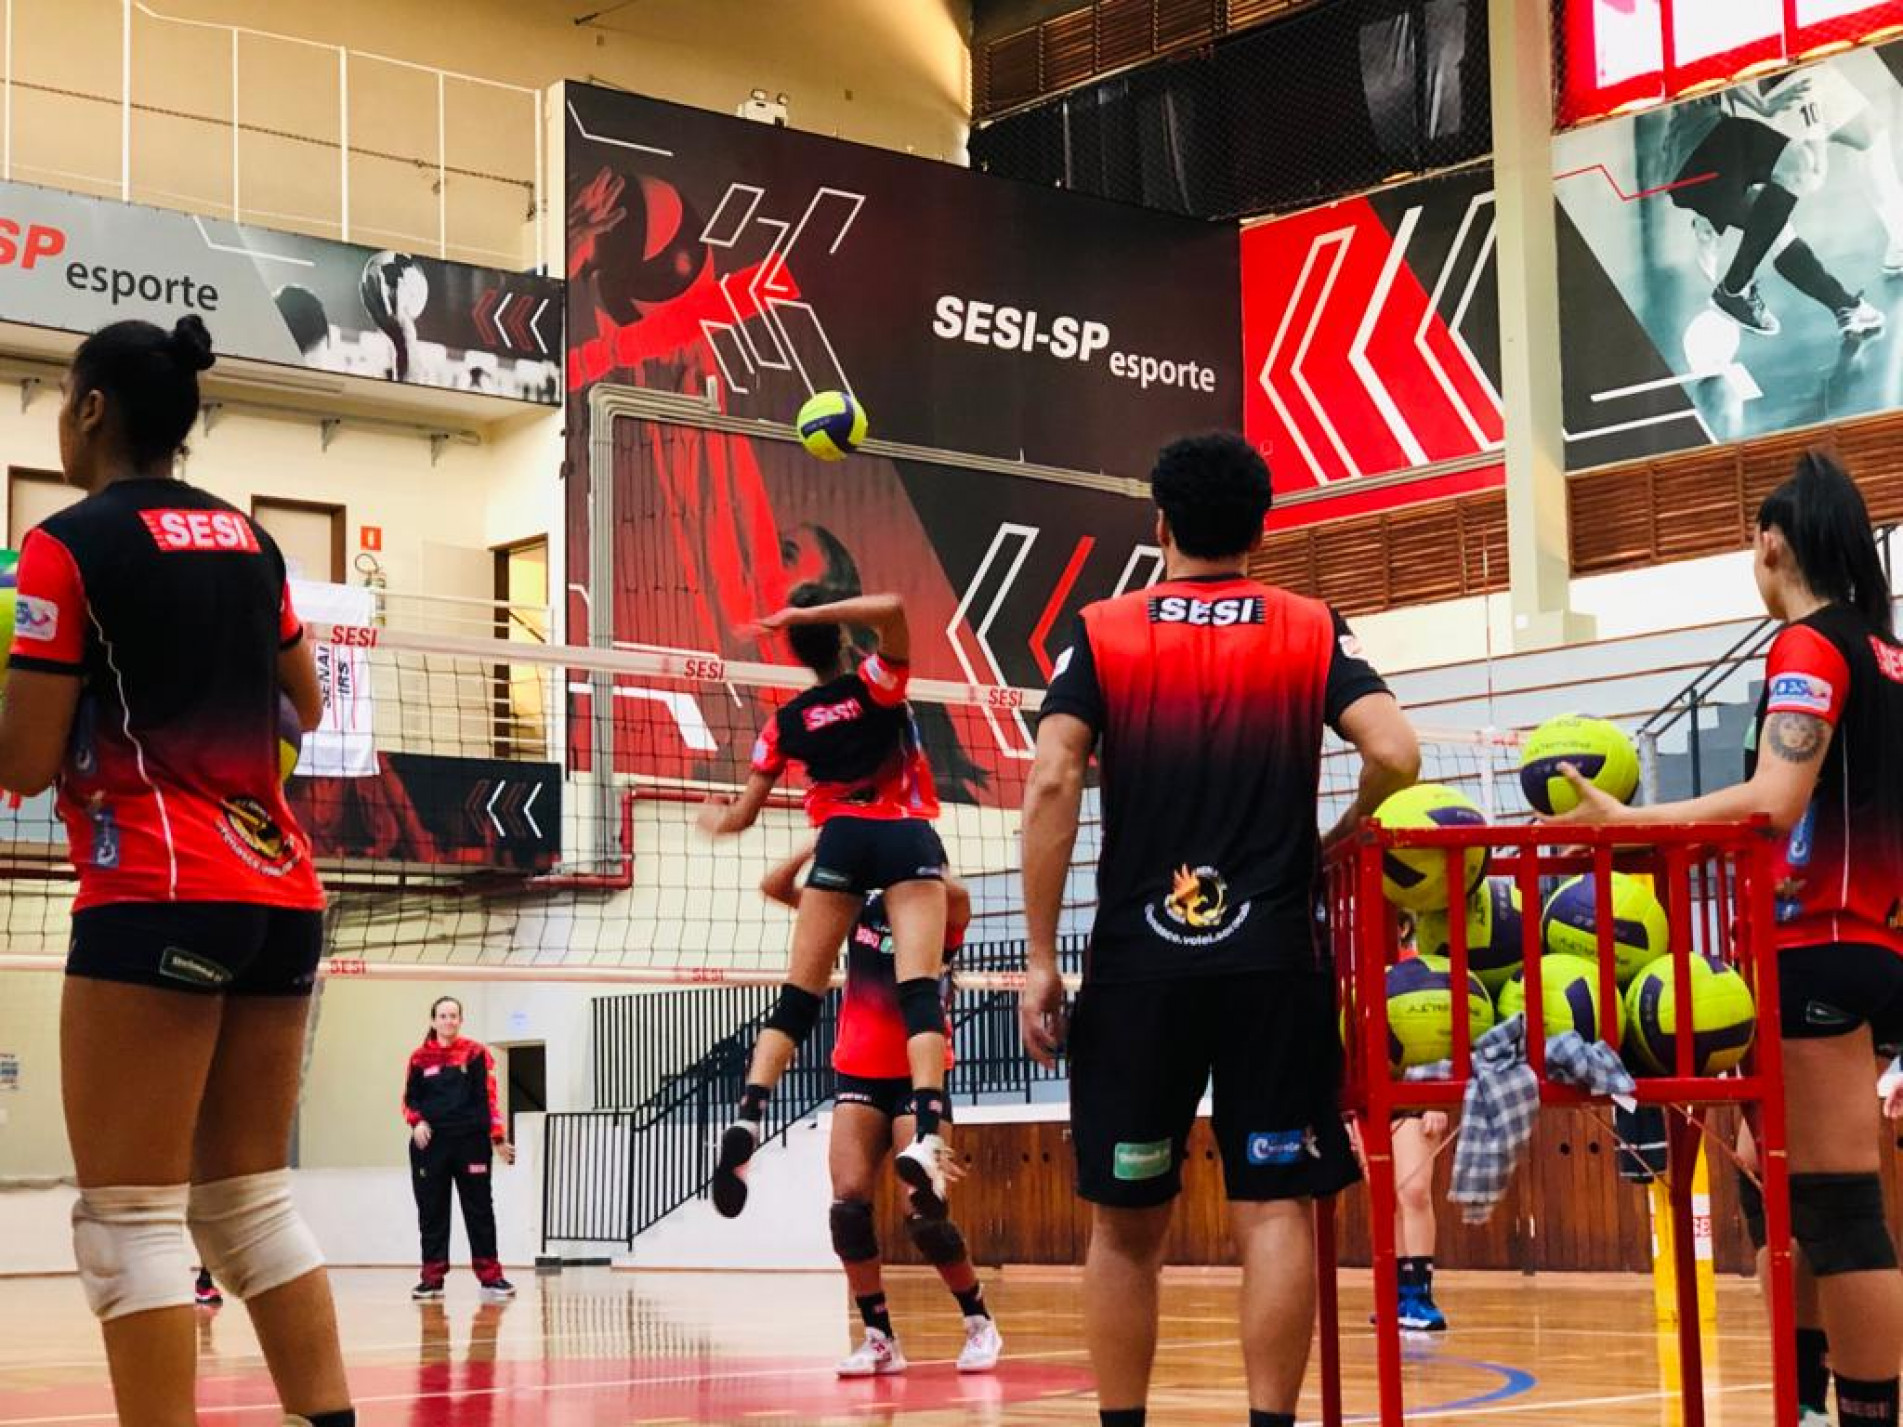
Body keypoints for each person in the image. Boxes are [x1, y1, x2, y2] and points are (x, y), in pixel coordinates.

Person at [1018, 432, 1421, 1427]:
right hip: (1273, 960)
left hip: (1139, 967)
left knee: (1125, 1222)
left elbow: (1053, 777)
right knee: (1274, 1207)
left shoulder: (1101, 630)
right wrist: (1342, 829)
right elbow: (1397, 753)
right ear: (1260, 529)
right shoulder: (1309, 625)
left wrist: (1038, 958)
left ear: (1159, 523)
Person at [0, 316, 354, 1427]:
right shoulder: (252, 541)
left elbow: (21, 762)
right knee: (249, 1205)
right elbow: (307, 703)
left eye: (61, 402)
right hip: (279, 891)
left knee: (130, 1223)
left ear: (92, 408)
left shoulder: (65, 545)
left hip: (154, 889)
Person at [1557, 450, 1902, 1427]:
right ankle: (1804, 1403)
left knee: (1835, 1204)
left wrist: (1627, 823)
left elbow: (1772, 798)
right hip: (1873, 944)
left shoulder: (1809, 646)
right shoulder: (1889, 654)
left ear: (1771, 544)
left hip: (1816, 946)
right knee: (1772, 1179)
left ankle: (1864, 1412)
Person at [698, 586, 957, 1216]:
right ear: (842, 636)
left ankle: (750, 1114)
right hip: (904, 835)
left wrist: (715, 820)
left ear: (795, 653)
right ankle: (926, 1135)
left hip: (838, 840)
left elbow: (742, 815)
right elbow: (894, 607)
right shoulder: (876, 684)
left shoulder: (786, 723)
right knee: (919, 991)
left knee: (798, 997)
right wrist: (807, 613)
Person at [758, 839, 1004, 1377]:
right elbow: (775, 887)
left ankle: (979, 1321)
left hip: (918, 1078)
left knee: (924, 1213)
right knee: (847, 1208)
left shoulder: (938, 907)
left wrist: (907, 854)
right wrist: (827, 844)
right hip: (859, 1071)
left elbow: (960, 895)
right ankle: (879, 1338)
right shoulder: (857, 909)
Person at [1665, 90, 1883, 339]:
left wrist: (1761, 105)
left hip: (1685, 169)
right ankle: (1732, 286)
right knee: (1802, 166)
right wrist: (1767, 107)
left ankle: (1845, 307)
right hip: (1706, 139)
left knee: (1775, 230)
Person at [402, 995, 517, 1301]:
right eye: (443, 1016)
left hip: (471, 1144)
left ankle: (491, 1277)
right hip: (430, 1146)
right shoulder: (419, 1058)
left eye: (453, 1016)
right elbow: (409, 1100)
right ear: (433, 1020)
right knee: (432, 1212)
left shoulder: (476, 1053)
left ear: (460, 1020)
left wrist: (498, 1138)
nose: (448, 1021)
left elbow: (488, 1097)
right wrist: (416, 1122)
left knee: (480, 1210)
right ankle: (432, 1279)